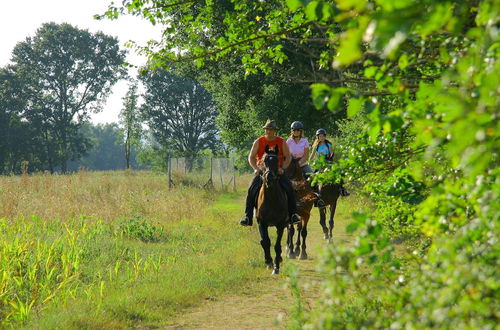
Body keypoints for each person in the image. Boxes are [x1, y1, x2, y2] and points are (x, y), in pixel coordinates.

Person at [239, 120, 300, 227]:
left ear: (274, 131)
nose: (268, 131)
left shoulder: (281, 141)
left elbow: (288, 156)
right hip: (262, 172)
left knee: (290, 189)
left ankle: (293, 215)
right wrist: (256, 168)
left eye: (271, 130)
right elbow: (251, 157)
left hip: (278, 171)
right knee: (251, 190)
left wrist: (283, 168)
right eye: (267, 129)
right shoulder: (258, 141)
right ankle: (248, 216)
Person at [286, 121, 325, 207]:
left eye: (298, 130)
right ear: (292, 131)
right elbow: (287, 155)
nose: (296, 132)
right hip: (291, 164)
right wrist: (292, 164)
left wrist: (299, 164)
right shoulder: (288, 141)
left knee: (313, 177)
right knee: (282, 177)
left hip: (302, 163)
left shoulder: (305, 141)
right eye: (294, 130)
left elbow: (306, 156)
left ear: (301, 131)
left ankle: (317, 199)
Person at [309, 128, 350, 197]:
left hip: (328, 161)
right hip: (320, 163)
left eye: (323, 136)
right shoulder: (316, 146)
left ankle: (342, 189)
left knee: (338, 173)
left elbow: (331, 153)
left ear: (325, 136)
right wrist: (308, 162)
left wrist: (330, 156)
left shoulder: (328, 144)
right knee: (313, 177)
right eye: (320, 136)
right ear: (318, 137)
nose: (321, 137)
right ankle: (313, 193)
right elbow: (312, 155)